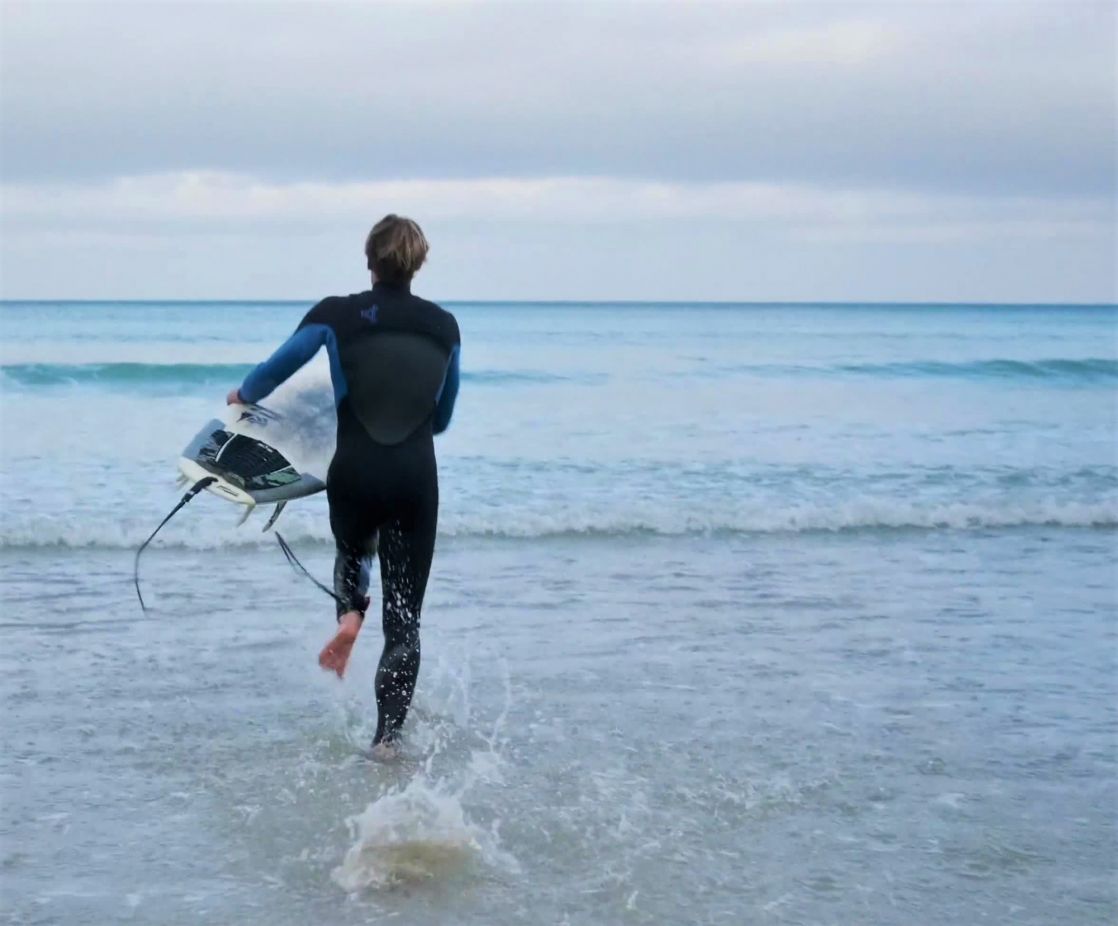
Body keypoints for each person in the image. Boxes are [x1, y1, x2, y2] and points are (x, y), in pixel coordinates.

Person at [227, 215, 460, 759]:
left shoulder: (335, 314)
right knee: (404, 623)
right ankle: (387, 742)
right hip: (414, 477)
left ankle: (349, 615)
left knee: (353, 549)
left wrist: (244, 396)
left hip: (354, 469)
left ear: (368, 259)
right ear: (418, 264)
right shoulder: (445, 327)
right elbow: (444, 416)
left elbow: (277, 368)